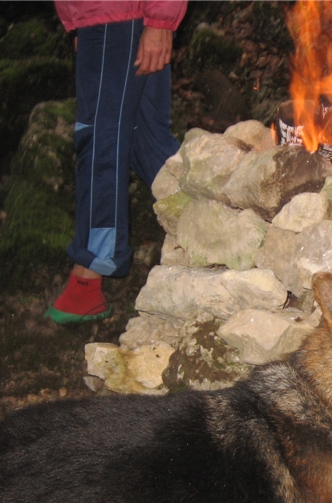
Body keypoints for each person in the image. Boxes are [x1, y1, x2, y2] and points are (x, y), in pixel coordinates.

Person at [46, 0, 188, 324]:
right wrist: (77, 22)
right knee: (146, 140)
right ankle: (219, 222)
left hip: (118, 15)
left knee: (100, 139)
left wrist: (160, 20)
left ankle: (88, 277)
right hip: (102, 17)